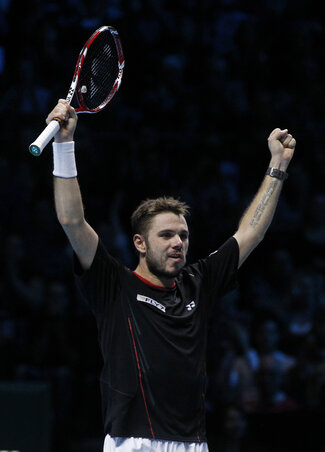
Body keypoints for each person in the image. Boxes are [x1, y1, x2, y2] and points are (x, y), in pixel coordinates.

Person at [46, 99, 296, 452]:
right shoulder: (114, 285)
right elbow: (72, 221)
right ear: (140, 243)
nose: (178, 242)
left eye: (183, 235)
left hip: (193, 444)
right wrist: (63, 143)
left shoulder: (200, 282)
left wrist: (277, 165)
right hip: (132, 443)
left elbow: (251, 233)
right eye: (166, 235)